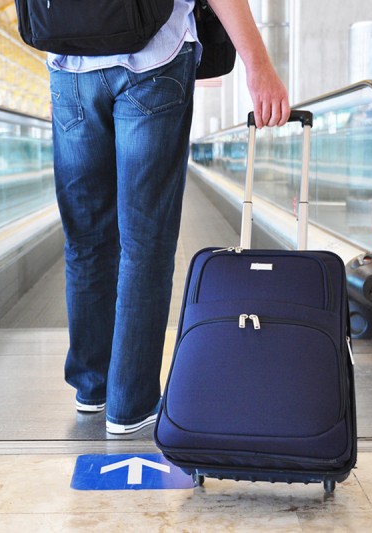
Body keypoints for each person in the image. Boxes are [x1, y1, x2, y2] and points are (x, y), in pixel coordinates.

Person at [48, 0, 290, 434]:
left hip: (70, 64)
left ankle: (94, 387)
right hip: (152, 59)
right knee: (145, 244)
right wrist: (258, 64)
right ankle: (130, 404)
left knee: (86, 240)